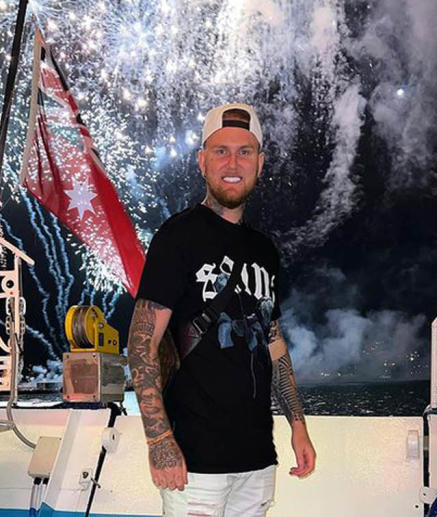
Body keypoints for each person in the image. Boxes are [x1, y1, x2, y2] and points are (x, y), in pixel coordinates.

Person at [128, 103, 316, 516]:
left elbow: (274, 343)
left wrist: (298, 427)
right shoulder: (177, 236)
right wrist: (160, 442)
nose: (233, 163)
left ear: (260, 163)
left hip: (257, 459)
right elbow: (142, 342)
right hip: (195, 462)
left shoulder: (264, 251)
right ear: (202, 161)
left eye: (245, 152)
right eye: (221, 151)